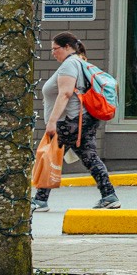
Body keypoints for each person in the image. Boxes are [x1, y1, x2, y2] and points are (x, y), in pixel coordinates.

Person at [33, 32, 120, 212]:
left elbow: (65, 94)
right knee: (89, 157)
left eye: (55, 49)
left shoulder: (70, 64)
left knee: (49, 154)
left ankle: (40, 200)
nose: (53, 53)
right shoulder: (79, 62)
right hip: (82, 119)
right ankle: (109, 195)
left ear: (67, 47)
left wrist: (52, 121)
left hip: (69, 120)